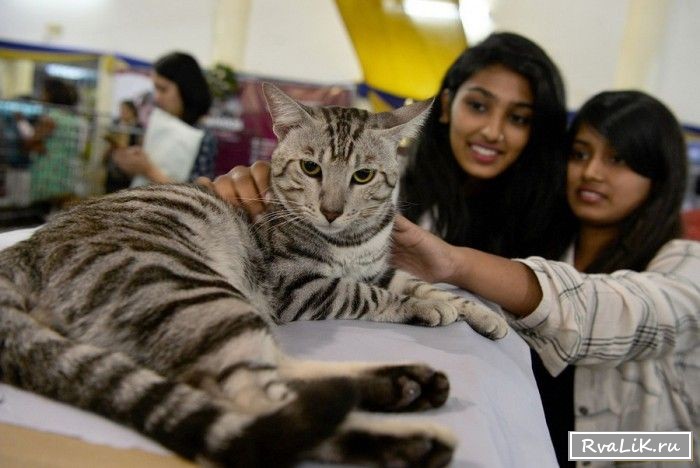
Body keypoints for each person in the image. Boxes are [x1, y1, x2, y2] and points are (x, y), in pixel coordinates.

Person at [391, 90, 699, 466]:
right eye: (580, 154)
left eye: (617, 159)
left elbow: (624, 316)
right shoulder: (538, 244)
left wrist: (563, 448)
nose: (591, 172)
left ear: (660, 174)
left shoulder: (687, 263)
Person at [197, 32, 573, 258]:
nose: (493, 131)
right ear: (445, 106)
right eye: (478, 106)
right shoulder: (390, 177)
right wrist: (258, 191)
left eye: (519, 118)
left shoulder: (551, 217)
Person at [114, 51, 217, 184]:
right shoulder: (159, 123)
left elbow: (199, 193)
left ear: (186, 89)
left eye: (163, 89)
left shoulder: (203, 136)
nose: (157, 97)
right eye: (155, 89)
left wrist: (148, 170)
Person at [25, 77, 87, 210]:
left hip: (47, 173)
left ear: (51, 94)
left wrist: (34, 144)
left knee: (41, 210)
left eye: (44, 92)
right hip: (67, 172)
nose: (41, 96)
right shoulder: (75, 119)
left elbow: (31, 142)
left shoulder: (50, 118)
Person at [103, 100, 142, 193]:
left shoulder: (138, 127)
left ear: (132, 111)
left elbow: (140, 145)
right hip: (114, 164)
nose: (122, 113)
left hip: (129, 167)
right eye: (121, 110)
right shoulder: (116, 124)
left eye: (125, 110)